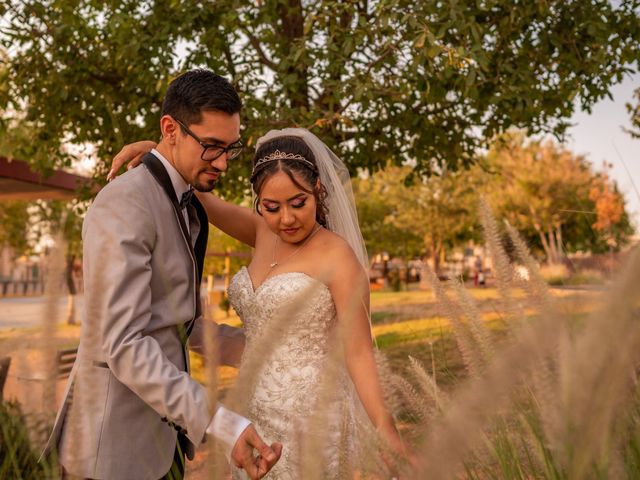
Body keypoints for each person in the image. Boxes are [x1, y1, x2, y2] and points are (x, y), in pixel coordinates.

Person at [112, 128, 410, 478]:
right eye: (271, 207)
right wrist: (159, 152)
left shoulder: (338, 257)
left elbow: (358, 353)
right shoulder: (260, 231)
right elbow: (189, 189)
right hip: (254, 415)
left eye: (299, 203)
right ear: (257, 201)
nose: (286, 219)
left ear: (318, 190)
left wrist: (385, 426)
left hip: (315, 421)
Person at [42, 70, 281, 480]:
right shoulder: (125, 203)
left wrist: (270, 351)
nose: (223, 162)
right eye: (211, 147)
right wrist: (223, 423)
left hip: (164, 441)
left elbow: (178, 324)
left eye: (230, 148)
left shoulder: (186, 199)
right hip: (111, 451)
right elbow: (124, 343)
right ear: (170, 129)